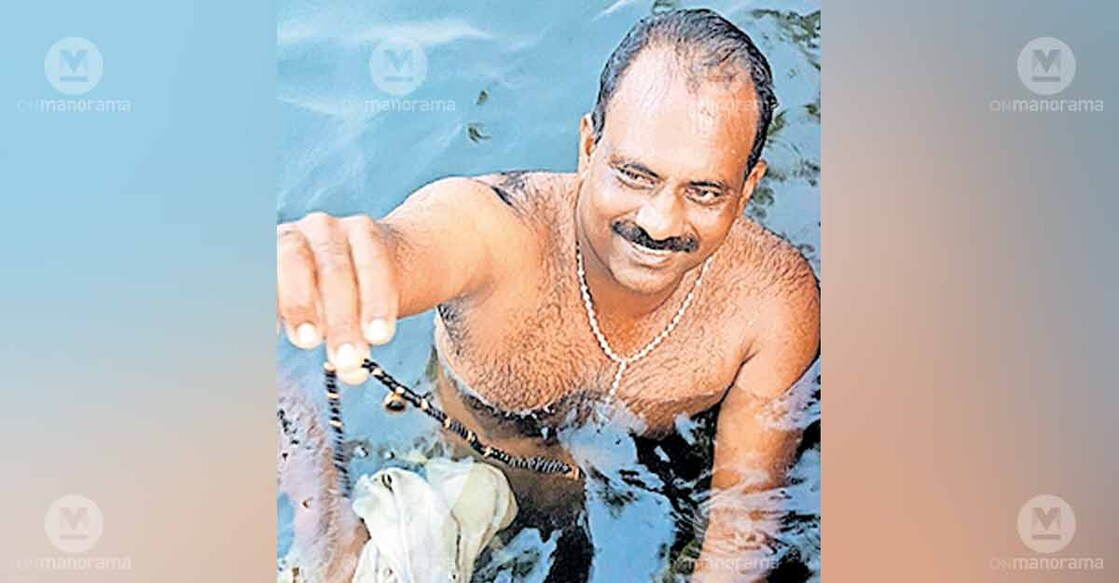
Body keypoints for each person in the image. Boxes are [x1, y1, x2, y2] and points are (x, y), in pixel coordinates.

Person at [276, 9, 819, 582]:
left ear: (749, 186)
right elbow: (398, 249)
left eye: (704, 191)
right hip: (468, 478)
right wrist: (322, 263)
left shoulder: (772, 302)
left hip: (650, 501)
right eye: (634, 175)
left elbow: (741, 533)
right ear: (589, 147)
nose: (660, 223)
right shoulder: (496, 231)